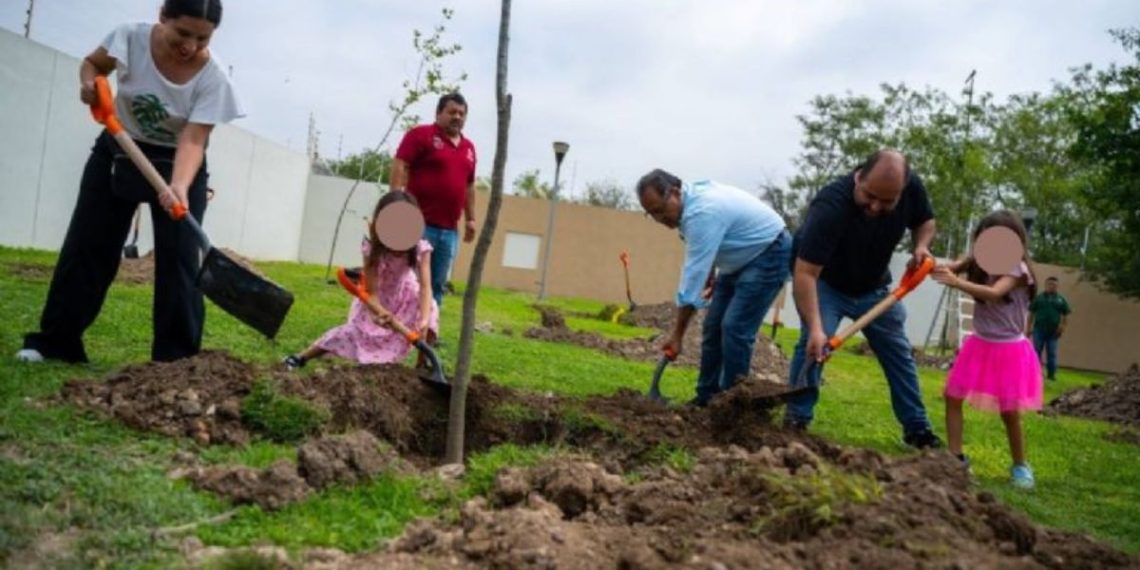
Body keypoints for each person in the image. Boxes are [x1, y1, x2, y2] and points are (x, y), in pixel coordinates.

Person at [17, 0, 241, 364]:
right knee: (89, 244)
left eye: (202, 39)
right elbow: (93, 65)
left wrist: (180, 186)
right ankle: (57, 342)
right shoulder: (129, 38)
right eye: (183, 33)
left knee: (181, 260)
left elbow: (194, 139)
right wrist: (89, 84)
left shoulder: (213, 78)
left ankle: (176, 361)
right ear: (162, 17)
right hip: (119, 147)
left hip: (179, 161)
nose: (190, 46)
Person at [786, 149, 942, 449]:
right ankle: (796, 419)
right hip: (826, 285)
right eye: (869, 196)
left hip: (873, 290)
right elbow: (805, 274)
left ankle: (917, 429)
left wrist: (921, 246)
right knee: (813, 346)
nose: (874, 206)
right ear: (859, 177)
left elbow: (926, 221)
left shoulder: (912, 188)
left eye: (887, 202)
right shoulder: (830, 205)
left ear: (902, 189)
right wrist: (817, 328)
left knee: (899, 355)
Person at [636, 169, 791, 407]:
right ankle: (707, 399)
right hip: (737, 261)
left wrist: (677, 335)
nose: (659, 219)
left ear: (675, 192)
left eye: (660, 209)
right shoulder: (689, 205)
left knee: (735, 327)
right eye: (651, 214)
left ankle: (734, 405)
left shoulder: (701, 212)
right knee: (713, 326)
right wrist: (710, 273)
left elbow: (692, 280)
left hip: (769, 251)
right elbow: (707, 253)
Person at [932, 210, 1042, 489]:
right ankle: (955, 458)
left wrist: (956, 282)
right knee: (952, 396)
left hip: (1010, 350)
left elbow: (994, 294)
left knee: (1009, 412)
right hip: (980, 345)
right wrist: (931, 265)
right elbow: (950, 267)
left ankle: (1020, 466)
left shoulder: (1018, 269)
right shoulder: (978, 261)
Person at [284, 192, 438, 369]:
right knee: (351, 334)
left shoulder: (420, 247)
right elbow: (371, 292)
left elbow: (426, 288)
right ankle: (301, 357)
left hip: (406, 296)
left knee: (430, 312)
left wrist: (424, 320)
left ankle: (422, 365)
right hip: (377, 300)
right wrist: (377, 312)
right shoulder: (372, 248)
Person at [389, 93, 477, 309]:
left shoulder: (469, 148)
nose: (457, 117)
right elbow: (401, 165)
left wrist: (471, 219)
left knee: (437, 283)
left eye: (461, 113)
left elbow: (469, 186)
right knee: (409, 279)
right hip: (418, 224)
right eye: (452, 112)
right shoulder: (421, 135)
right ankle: (401, 328)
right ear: (439, 113)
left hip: (449, 231)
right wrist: (395, 201)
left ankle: (428, 330)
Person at [1027, 276, 1071, 381]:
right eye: (1049, 284)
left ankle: (1051, 375)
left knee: (1052, 353)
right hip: (1039, 329)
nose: (1052, 286)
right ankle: (1035, 374)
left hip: (1053, 332)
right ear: (1046, 285)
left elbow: (1066, 315)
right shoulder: (1039, 298)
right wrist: (1028, 328)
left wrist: (1062, 327)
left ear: (1057, 286)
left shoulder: (1061, 300)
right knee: (1037, 351)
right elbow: (1031, 313)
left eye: (1054, 285)